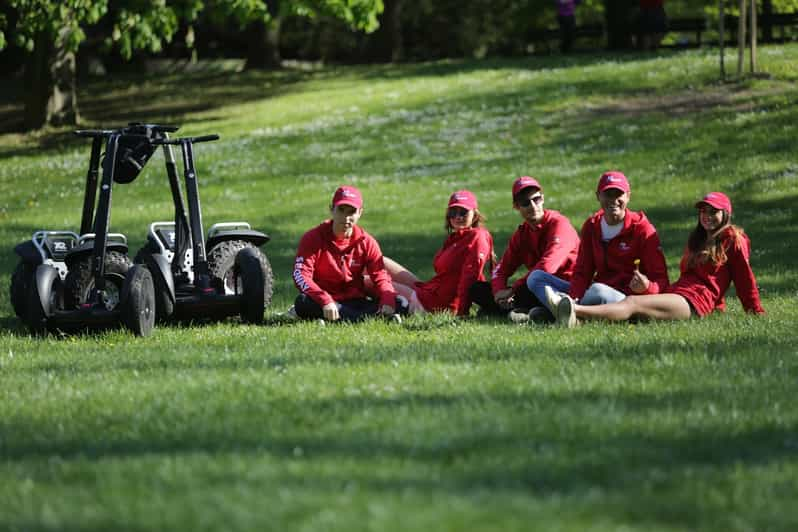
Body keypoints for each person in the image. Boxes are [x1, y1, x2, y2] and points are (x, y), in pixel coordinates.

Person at [547, 192, 765, 326]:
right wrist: (718, 305)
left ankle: (573, 310)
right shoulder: (698, 239)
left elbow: (744, 278)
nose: (707, 215)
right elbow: (707, 278)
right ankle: (573, 320)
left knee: (632, 303)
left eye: (714, 211)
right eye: (703, 211)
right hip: (679, 294)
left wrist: (755, 311)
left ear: (726, 214)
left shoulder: (734, 239)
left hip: (693, 303)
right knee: (636, 312)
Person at [529, 170, 669, 316]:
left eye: (618, 194)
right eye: (608, 194)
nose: (613, 200)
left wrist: (647, 287)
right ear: (598, 196)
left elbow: (662, 281)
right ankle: (569, 310)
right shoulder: (591, 226)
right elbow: (582, 272)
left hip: (626, 301)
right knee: (536, 278)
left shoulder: (642, 229)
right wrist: (574, 297)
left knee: (598, 291)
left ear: (628, 196)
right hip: (594, 292)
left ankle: (561, 312)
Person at [470, 176, 580, 323]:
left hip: (566, 287)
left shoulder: (559, 224)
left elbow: (547, 267)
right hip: (533, 287)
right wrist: (499, 292)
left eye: (536, 199)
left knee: (532, 282)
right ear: (517, 207)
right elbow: (501, 270)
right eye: (525, 203)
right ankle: (521, 310)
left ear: (543, 198)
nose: (533, 206)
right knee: (476, 289)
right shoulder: (522, 234)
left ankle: (513, 311)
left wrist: (513, 290)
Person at [291, 185, 403, 322]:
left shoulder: (367, 242)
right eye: (341, 210)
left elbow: (380, 275)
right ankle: (372, 319)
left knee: (399, 302)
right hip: (325, 300)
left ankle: (341, 318)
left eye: (352, 212)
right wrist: (324, 300)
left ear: (360, 213)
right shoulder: (312, 238)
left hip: (356, 300)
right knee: (303, 302)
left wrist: (388, 300)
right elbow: (301, 275)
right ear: (331, 209)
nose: (346, 217)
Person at [383, 190, 494, 317]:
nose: (458, 217)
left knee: (370, 282)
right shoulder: (455, 238)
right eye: (453, 212)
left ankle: (360, 308)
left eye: (463, 212)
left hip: (436, 305)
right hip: (430, 291)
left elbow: (471, 277)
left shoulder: (478, 237)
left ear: (474, 214)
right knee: (379, 261)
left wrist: (462, 312)